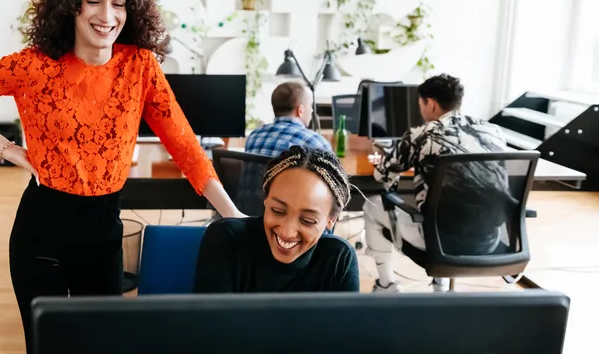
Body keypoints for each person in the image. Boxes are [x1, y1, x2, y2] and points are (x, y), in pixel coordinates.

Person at [0, 0, 244, 351]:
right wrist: (7, 149)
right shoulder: (34, 65)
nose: (106, 14)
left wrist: (232, 214)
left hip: (104, 235)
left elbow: (183, 144)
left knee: (102, 344)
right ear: (72, 4)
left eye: (118, 3)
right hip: (41, 235)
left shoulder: (140, 66)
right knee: (47, 346)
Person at [357, 74, 506, 293]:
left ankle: (386, 285)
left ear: (432, 104)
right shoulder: (492, 132)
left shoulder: (422, 135)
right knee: (448, 206)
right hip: (489, 239)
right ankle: (441, 287)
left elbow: (383, 176)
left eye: (420, 104)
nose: (421, 111)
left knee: (372, 205)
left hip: (438, 241)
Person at [193, 146, 360, 293]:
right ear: (266, 199)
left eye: (308, 220)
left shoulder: (338, 259)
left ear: (331, 219)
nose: (287, 232)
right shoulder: (226, 239)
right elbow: (209, 326)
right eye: (278, 211)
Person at [245, 82, 332, 157]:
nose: (312, 110)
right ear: (300, 110)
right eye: (310, 106)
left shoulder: (253, 137)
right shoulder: (316, 143)